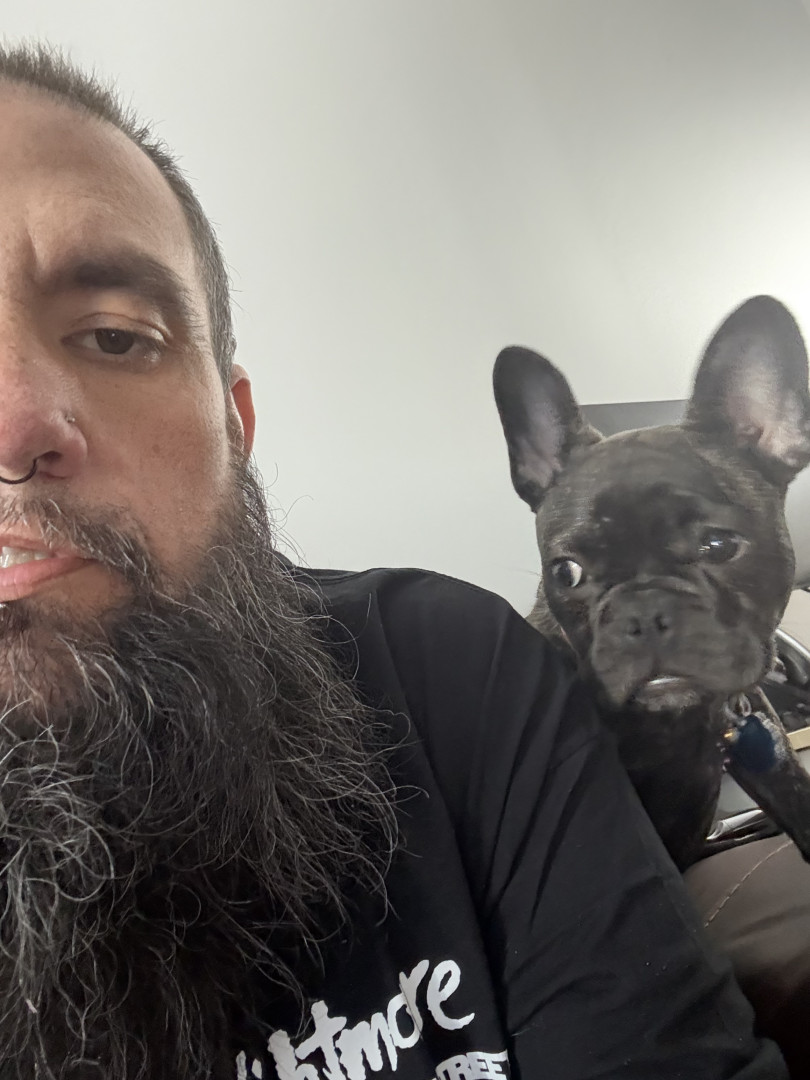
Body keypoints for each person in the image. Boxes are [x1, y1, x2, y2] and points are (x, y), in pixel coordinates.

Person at [0, 42, 788, 1080]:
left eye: (114, 336)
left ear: (236, 425)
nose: (17, 424)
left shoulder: (451, 676)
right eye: (580, 573)